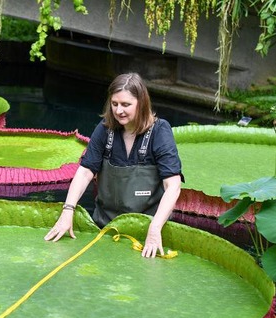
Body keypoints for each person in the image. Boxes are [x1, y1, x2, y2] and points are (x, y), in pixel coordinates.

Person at [44, 72, 183, 258]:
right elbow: (85, 172)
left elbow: (172, 185)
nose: (119, 111)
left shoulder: (160, 131)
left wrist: (155, 227)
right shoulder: (105, 129)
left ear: (141, 103)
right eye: (115, 104)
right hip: (105, 227)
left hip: (147, 228)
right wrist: (68, 210)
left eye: (126, 105)